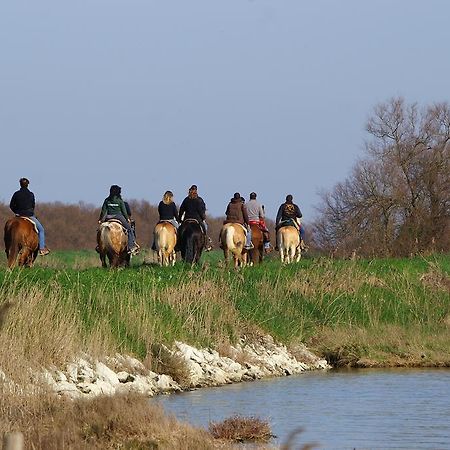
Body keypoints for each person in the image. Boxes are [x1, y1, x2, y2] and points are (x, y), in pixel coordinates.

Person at [9, 177, 50, 256]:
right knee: (41, 230)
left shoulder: (16, 194)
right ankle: (42, 249)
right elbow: (32, 205)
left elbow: (11, 205)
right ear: (27, 185)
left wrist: (17, 212)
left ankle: (8, 248)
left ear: (20, 184)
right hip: (29, 216)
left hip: (18, 215)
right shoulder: (31, 194)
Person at [98, 185, 140, 254]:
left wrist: (100, 219)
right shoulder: (120, 201)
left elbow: (103, 211)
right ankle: (131, 247)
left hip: (108, 217)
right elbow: (124, 211)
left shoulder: (107, 200)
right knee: (129, 229)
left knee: (100, 230)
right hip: (118, 216)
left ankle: (99, 246)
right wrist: (127, 219)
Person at [178, 185, 212, 250]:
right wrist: (203, 218)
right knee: (205, 227)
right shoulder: (199, 200)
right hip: (197, 219)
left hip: (186, 219)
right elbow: (201, 211)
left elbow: (181, 210)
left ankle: (178, 244)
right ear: (196, 191)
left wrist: (180, 219)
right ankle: (206, 243)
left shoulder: (186, 200)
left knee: (180, 230)